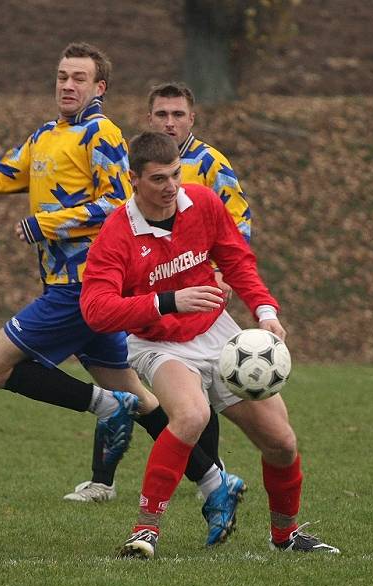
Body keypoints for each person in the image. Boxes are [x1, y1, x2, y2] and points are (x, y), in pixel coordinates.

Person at [0, 43, 243, 546]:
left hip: (84, 285)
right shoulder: (45, 136)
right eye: (62, 76)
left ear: (99, 87)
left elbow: (116, 202)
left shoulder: (100, 132)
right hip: (68, 287)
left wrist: (48, 223)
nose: (68, 85)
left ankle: (103, 408)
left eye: (79, 78)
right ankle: (217, 482)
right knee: (146, 402)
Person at [80, 131, 340, 559]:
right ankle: (145, 531)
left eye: (175, 175)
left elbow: (237, 259)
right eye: (159, 179)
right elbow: (96, 310)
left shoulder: (201, 203)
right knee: (191, 414)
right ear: (133, 179)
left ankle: (286, 537)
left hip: (218, 334)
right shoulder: (116, 235)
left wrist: (266, 311)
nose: (171, 187)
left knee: (282, 442)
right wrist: (168, 301)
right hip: (158, 344)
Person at [66, 81, 252, 504]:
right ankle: (111, 479)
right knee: (132, 382)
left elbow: (236, 226)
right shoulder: (138, 161)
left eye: (178, 115)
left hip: (196, 303)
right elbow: (122, 216)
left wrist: (222, 273)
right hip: (137, 294)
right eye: (162, 115)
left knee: (192, 395)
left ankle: (209, 476)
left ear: (193, 118)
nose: (170, 122)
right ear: (149, 119)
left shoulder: (210, 164)